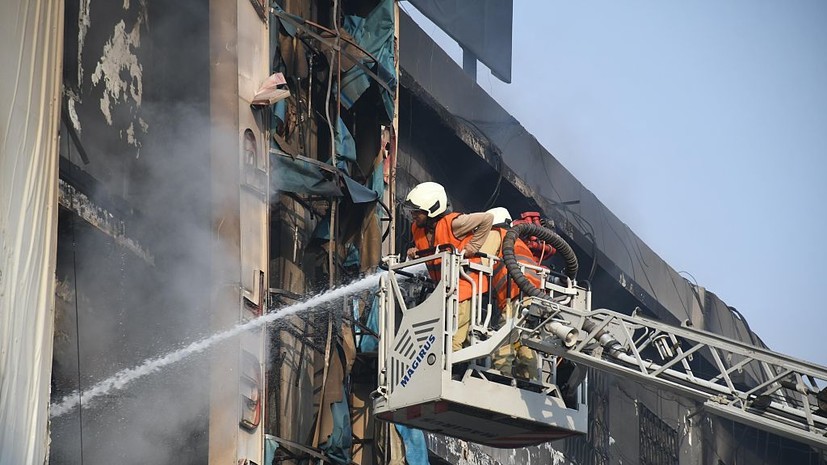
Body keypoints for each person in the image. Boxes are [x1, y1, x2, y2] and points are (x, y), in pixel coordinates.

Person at [403, 182, 495, 352]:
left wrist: (472, 248)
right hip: (444, 290)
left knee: (453, 341)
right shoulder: (418, 229)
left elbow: (487, 219)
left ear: (432, 209)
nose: (413, 215)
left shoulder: (455, 223)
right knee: (439, 336)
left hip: (465, 288)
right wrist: (416, 252)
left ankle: (451, 370)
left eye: (417, 211)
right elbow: (434, 253)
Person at [486, 207, 544, 380]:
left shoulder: (497, 235)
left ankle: (502, 376)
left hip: (515, 297)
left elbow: (477, 258)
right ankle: (530, 379)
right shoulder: (520, 244)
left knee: (506, 339)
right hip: (534, 301)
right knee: (527, 344)